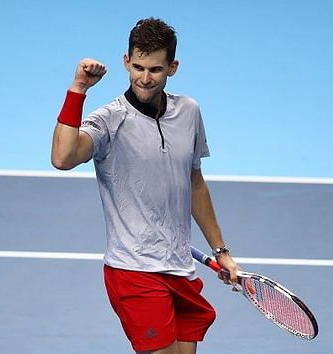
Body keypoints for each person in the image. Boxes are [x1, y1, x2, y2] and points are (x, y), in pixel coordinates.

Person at [51, 18, 239, 354]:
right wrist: (78, 89)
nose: (144, 77)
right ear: (126, 61)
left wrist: (221, 251)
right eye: (137, 67)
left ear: (173, 67)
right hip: (134, 270)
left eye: (155, 69)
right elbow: (63, 158)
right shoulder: (108, 121)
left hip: (180, 267)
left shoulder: (189, 112)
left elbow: (194, 182)